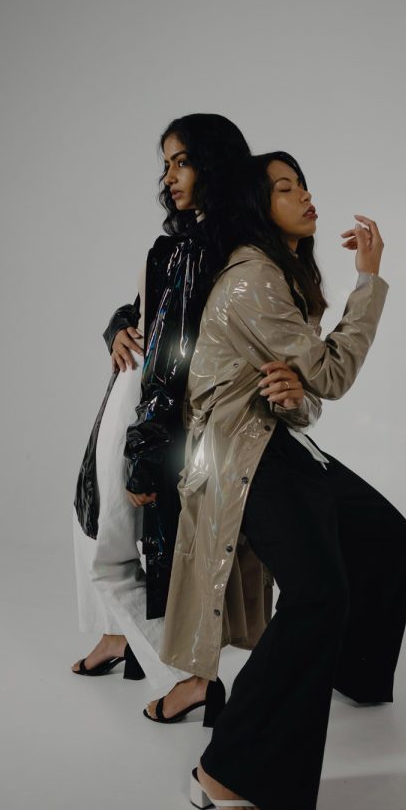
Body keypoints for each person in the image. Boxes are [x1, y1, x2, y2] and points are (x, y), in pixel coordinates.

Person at [158, 152, 406, 810]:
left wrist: (296, 395)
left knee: (389, 541)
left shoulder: (281, 275)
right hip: (241, 455)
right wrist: (370, 280)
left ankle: (346, 671)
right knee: (318, 594)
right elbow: (331, 377)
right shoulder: (253, 279)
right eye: (285, 188)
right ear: (257, 204)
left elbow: (305, 397)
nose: (305, 196)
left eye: (303, 184)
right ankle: (225, 767)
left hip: (276, 441)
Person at [71, 115, 259, 691]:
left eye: (183, 161)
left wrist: (148, 447)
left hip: (148, 401)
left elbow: (177, 354)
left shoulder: (202, 249)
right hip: (132, 391)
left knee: (110, 539)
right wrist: (118, 329)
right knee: (97, 520)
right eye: (167, 164)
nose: (169, 176)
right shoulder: (188, 240)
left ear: (213, 165)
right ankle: (117, 637)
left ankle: (187, 677)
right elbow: (145, 310)